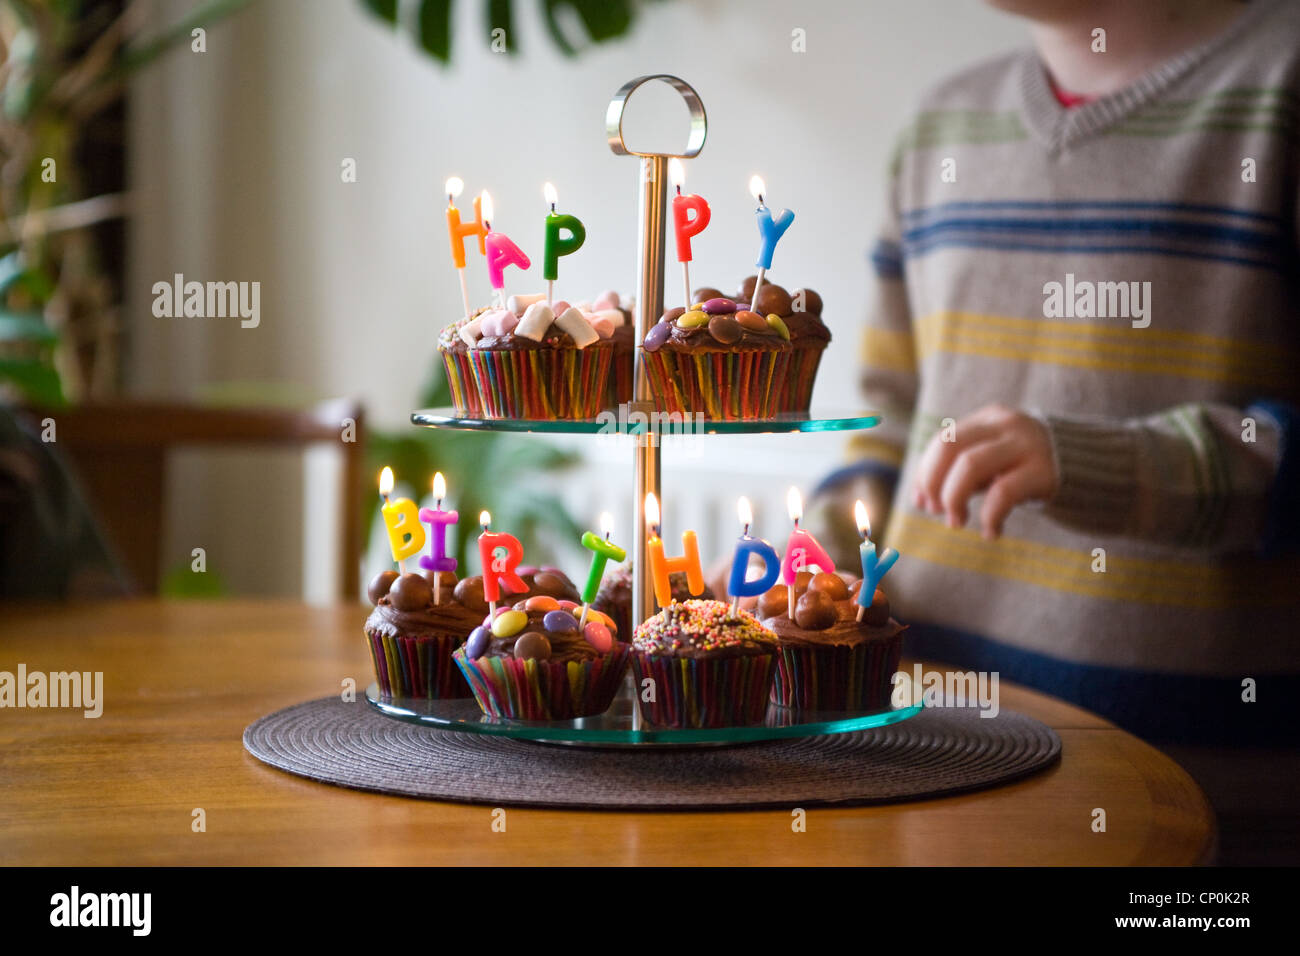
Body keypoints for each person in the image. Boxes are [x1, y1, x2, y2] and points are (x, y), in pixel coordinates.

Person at [810, 0, 1299, 751]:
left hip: (1205, 773)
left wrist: (1106, 467)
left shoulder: (1280, 79)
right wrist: (818, 557)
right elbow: (893, 426)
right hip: (924, 746)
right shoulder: (941, 123)